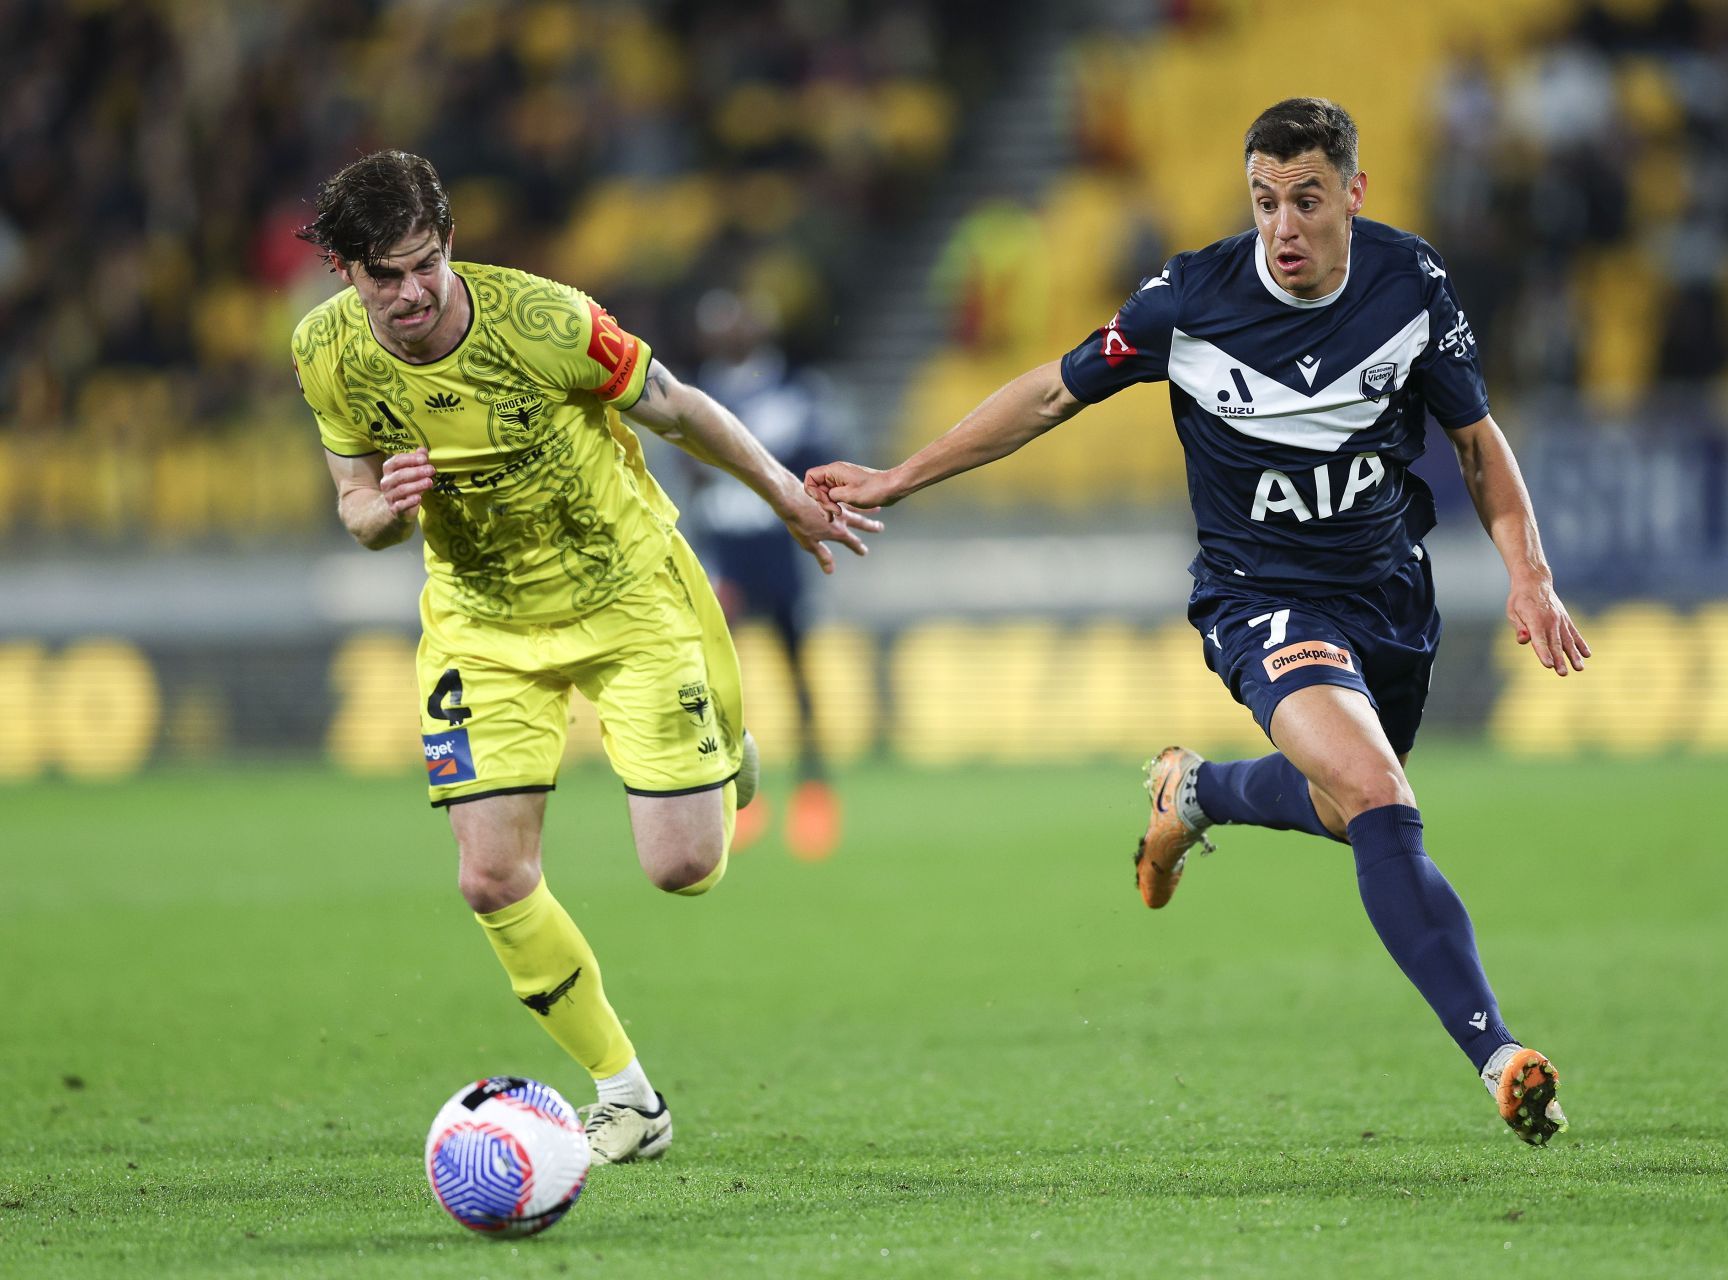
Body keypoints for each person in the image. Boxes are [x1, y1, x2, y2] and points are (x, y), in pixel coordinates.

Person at [807, 100, 1587, 1146]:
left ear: (1353, 193)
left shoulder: (1412, 286)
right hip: (1260, 595)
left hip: (1389, 597)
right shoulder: (1189, 300)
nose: (1285, 226)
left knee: (1355, 800)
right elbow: (1049, 393)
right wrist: (899, 476)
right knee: (1373, 789)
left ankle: (1198, 788)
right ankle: (1499, 1054)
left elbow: (1477, 441)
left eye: (1307, 200)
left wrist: (1529, 574)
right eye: (1265, 202)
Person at [290, 151, 875, 1165]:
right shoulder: (324, 352)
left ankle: (725, 741)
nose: (415, 290)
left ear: (450, 242)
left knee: (684, 866)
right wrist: (381, 512)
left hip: (626, 595)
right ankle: (627, 1095)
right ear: (345, 271)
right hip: (481, 625)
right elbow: (355, 503)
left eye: (426, 262)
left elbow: (682, 407)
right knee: (490, 877)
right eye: (386, 274)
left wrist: (784, 494)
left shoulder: (546, 321)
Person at [681, 289, 846, 859]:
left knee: (796, 671)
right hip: (727, 549)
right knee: (721, 678)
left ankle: (814, 788)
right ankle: (736, 791)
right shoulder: (698, 391)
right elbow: (691, 478)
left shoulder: (794, 393)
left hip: (778, 551)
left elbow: (819, 459)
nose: (722, 337)